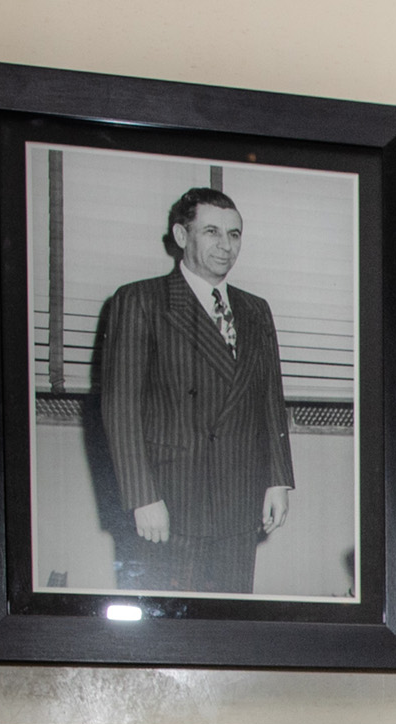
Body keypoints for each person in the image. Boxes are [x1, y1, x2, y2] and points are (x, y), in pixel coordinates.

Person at [90, 187, 294, 596]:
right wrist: (141, 497)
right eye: (212, 232)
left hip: (239, 502)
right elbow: (120, 405)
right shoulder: (140, 300)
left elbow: (270, 399)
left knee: (230, 626)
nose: (226, 245)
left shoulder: (256, 310)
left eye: (234, 234)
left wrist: (278, 480)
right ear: (182, 237)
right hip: (170, 503)